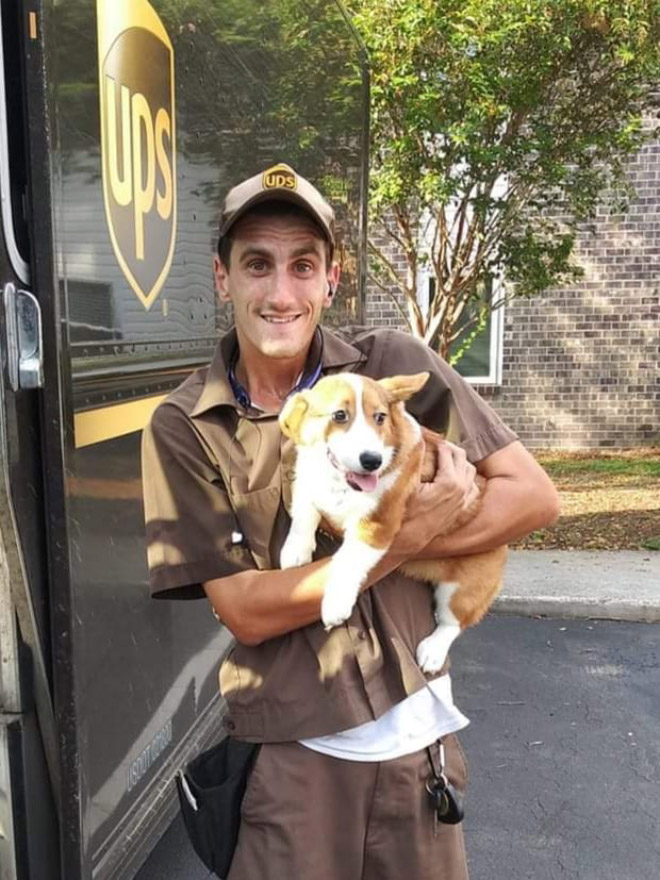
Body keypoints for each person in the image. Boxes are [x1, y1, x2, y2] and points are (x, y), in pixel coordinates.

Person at [141, 162, 559, 879]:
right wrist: (407, 535)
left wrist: (412, 531)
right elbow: (243, 609)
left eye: (304, 266)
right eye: (257, 265)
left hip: (417, 748)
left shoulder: (392, 368)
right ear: (222, 278)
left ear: (331, 280)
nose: (281, 292)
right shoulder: (186, 426)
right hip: (293, 764)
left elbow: (531, 496)